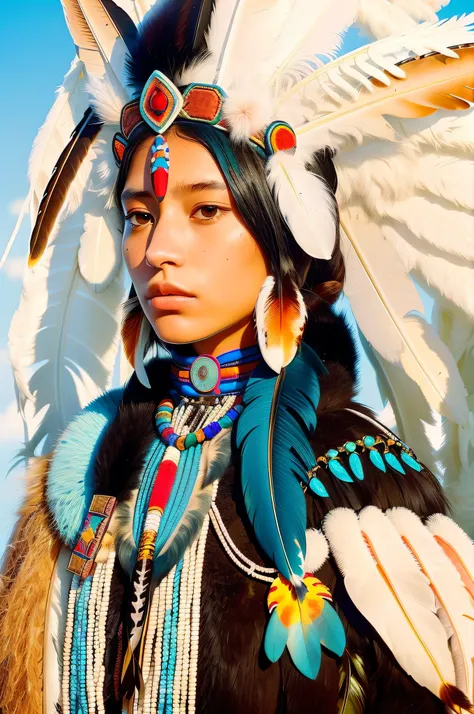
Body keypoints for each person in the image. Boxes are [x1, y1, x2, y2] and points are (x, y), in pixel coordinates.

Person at [1, 2, 473, 713]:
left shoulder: (360, 471)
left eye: (205, 210)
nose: (158, 251)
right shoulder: (80, 469)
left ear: (281, 226)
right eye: (138, 215)